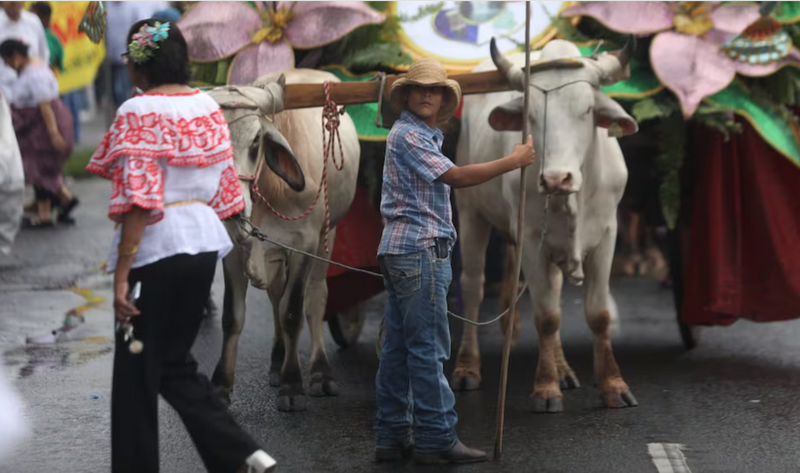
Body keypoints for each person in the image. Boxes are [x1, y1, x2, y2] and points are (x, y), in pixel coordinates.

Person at [85, 19, 275, 473]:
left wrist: (120, 278)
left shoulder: (138, 111)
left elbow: (138, 199)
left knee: (135, 375)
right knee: (172, 365)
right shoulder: (205, 107)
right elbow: (228, 191)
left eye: (129, 60)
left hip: (156, 251)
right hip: (201, 249)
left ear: (140, 66)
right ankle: (242, 455)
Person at [375, 57, 535, 464]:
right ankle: (436, 437)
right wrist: (513, 162)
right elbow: (458, 178)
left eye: (436, 90)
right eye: (420, 88)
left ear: (445, 98)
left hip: (403, 252)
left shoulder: (424, 135)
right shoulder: (408, 136)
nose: (428, 94)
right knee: (428, 349)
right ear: (406, 96)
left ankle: (392, 436)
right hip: (420, 252)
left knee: (397, 350)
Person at [0, 39, 79, 227]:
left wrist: (53, 134)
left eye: (7, 60)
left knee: (40, 168)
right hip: (36, 126)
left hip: (42, 127)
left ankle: (44, 214)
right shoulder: (32, 67)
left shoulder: (34, 73)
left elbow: (44, 105)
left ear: (16, 56)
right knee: (45, 169)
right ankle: (66, 201)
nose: (7, 65)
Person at [0, 1, 49, 99]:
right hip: (5, 96)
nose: (13, 2)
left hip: (34, 97)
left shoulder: (33, 22)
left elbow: (43, 55)